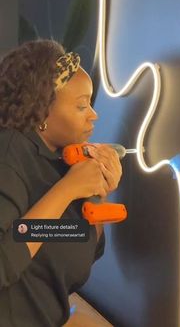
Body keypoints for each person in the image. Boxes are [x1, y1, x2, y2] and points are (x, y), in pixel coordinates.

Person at [0, 39, 122, 326]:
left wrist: (96, 192)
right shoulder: (9, 156)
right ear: (42, 111)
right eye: (81, 107)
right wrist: (67, 190)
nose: (94, 115)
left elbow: (73, 239)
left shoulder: (58, 160)